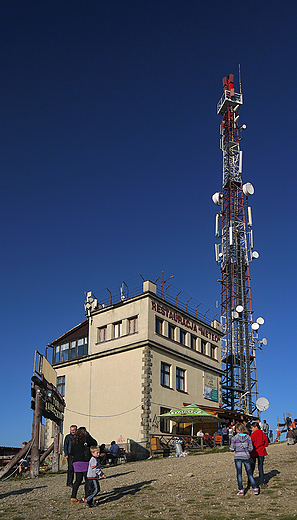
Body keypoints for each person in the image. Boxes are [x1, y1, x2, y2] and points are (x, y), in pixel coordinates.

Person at [230, 423, 259, 496]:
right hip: (246, 456)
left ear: (237, 429)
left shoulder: (234, 438)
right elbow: (251, 448)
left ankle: (241, 490)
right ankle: (255, 488)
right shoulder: (248, 437)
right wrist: (246, 450)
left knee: (239, 474)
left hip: (238, 456)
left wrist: (235, 448)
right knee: (249, 473)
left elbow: (231, 449)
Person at [70, 427, 97, 504]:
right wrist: (89, 435)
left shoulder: (74, 441)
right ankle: (88, 498)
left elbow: (71, 452)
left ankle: (73, 497)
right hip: (84, 461)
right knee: (87, 480)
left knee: (78, 480)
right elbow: (95, 443)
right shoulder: (86, 439)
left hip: (76, 462)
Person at [250, 421, 269, 488]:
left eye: (252, 428)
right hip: (261, 452)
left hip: (254, 452)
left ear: (256, 427)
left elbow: (250, 443)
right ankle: (262, 482)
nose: (251, 429)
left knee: (252, 468)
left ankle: (250, 481)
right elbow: (266, 444)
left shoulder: (253, 435)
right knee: (260, 468)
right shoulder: (263, 434)